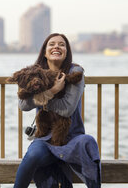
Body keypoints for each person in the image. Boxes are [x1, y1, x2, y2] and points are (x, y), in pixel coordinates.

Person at [14, 33, 101, 188]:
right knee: (33, 155)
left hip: (72, 137)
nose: (56, 47)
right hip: (44, 138)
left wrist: (42, 100)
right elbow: (23, 105)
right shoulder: (34, 72)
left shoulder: (76, 72)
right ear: (45, 52)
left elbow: (67, 109)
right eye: (52, 44)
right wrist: (52, 91)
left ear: (66, 52)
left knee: (88, 142)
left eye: (61, 44)